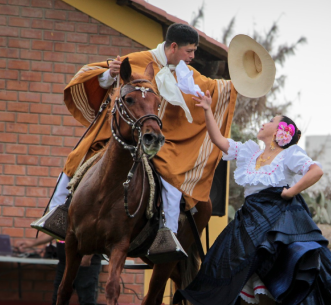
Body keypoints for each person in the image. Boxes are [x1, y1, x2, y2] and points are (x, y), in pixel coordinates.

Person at [173, 92, 331, 305]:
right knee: (245, 280)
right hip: (248, 220)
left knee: (266, 281)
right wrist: (209, 111)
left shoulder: (290, 154)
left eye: (270, 120)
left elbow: (315, 171)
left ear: (281, 130)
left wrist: (290, 191)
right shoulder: (250, 152)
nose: (263, 122)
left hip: (275, 220)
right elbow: (220, 141)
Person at [49, 23, 237, 234]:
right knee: (77, 157)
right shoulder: (139, 59)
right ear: (173, 47)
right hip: (121, 134)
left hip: (159, 139)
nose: (192, 56)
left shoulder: (187, 74)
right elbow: (100, 76)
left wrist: (238, 83)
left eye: (194, 51)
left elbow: (213, 87)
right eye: (189, 51)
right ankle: (55, 213)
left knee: (173, 183)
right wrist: (110, 75)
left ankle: (168, 235)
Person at [18, 234, 102, 305]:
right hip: (64, 264)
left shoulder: (88, 217)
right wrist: (31, 243)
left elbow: (95, 234)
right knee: (59, 300)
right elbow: (51, 232)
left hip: (85, 265)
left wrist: (87, 256)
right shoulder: (62, 218)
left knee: (87, 301)